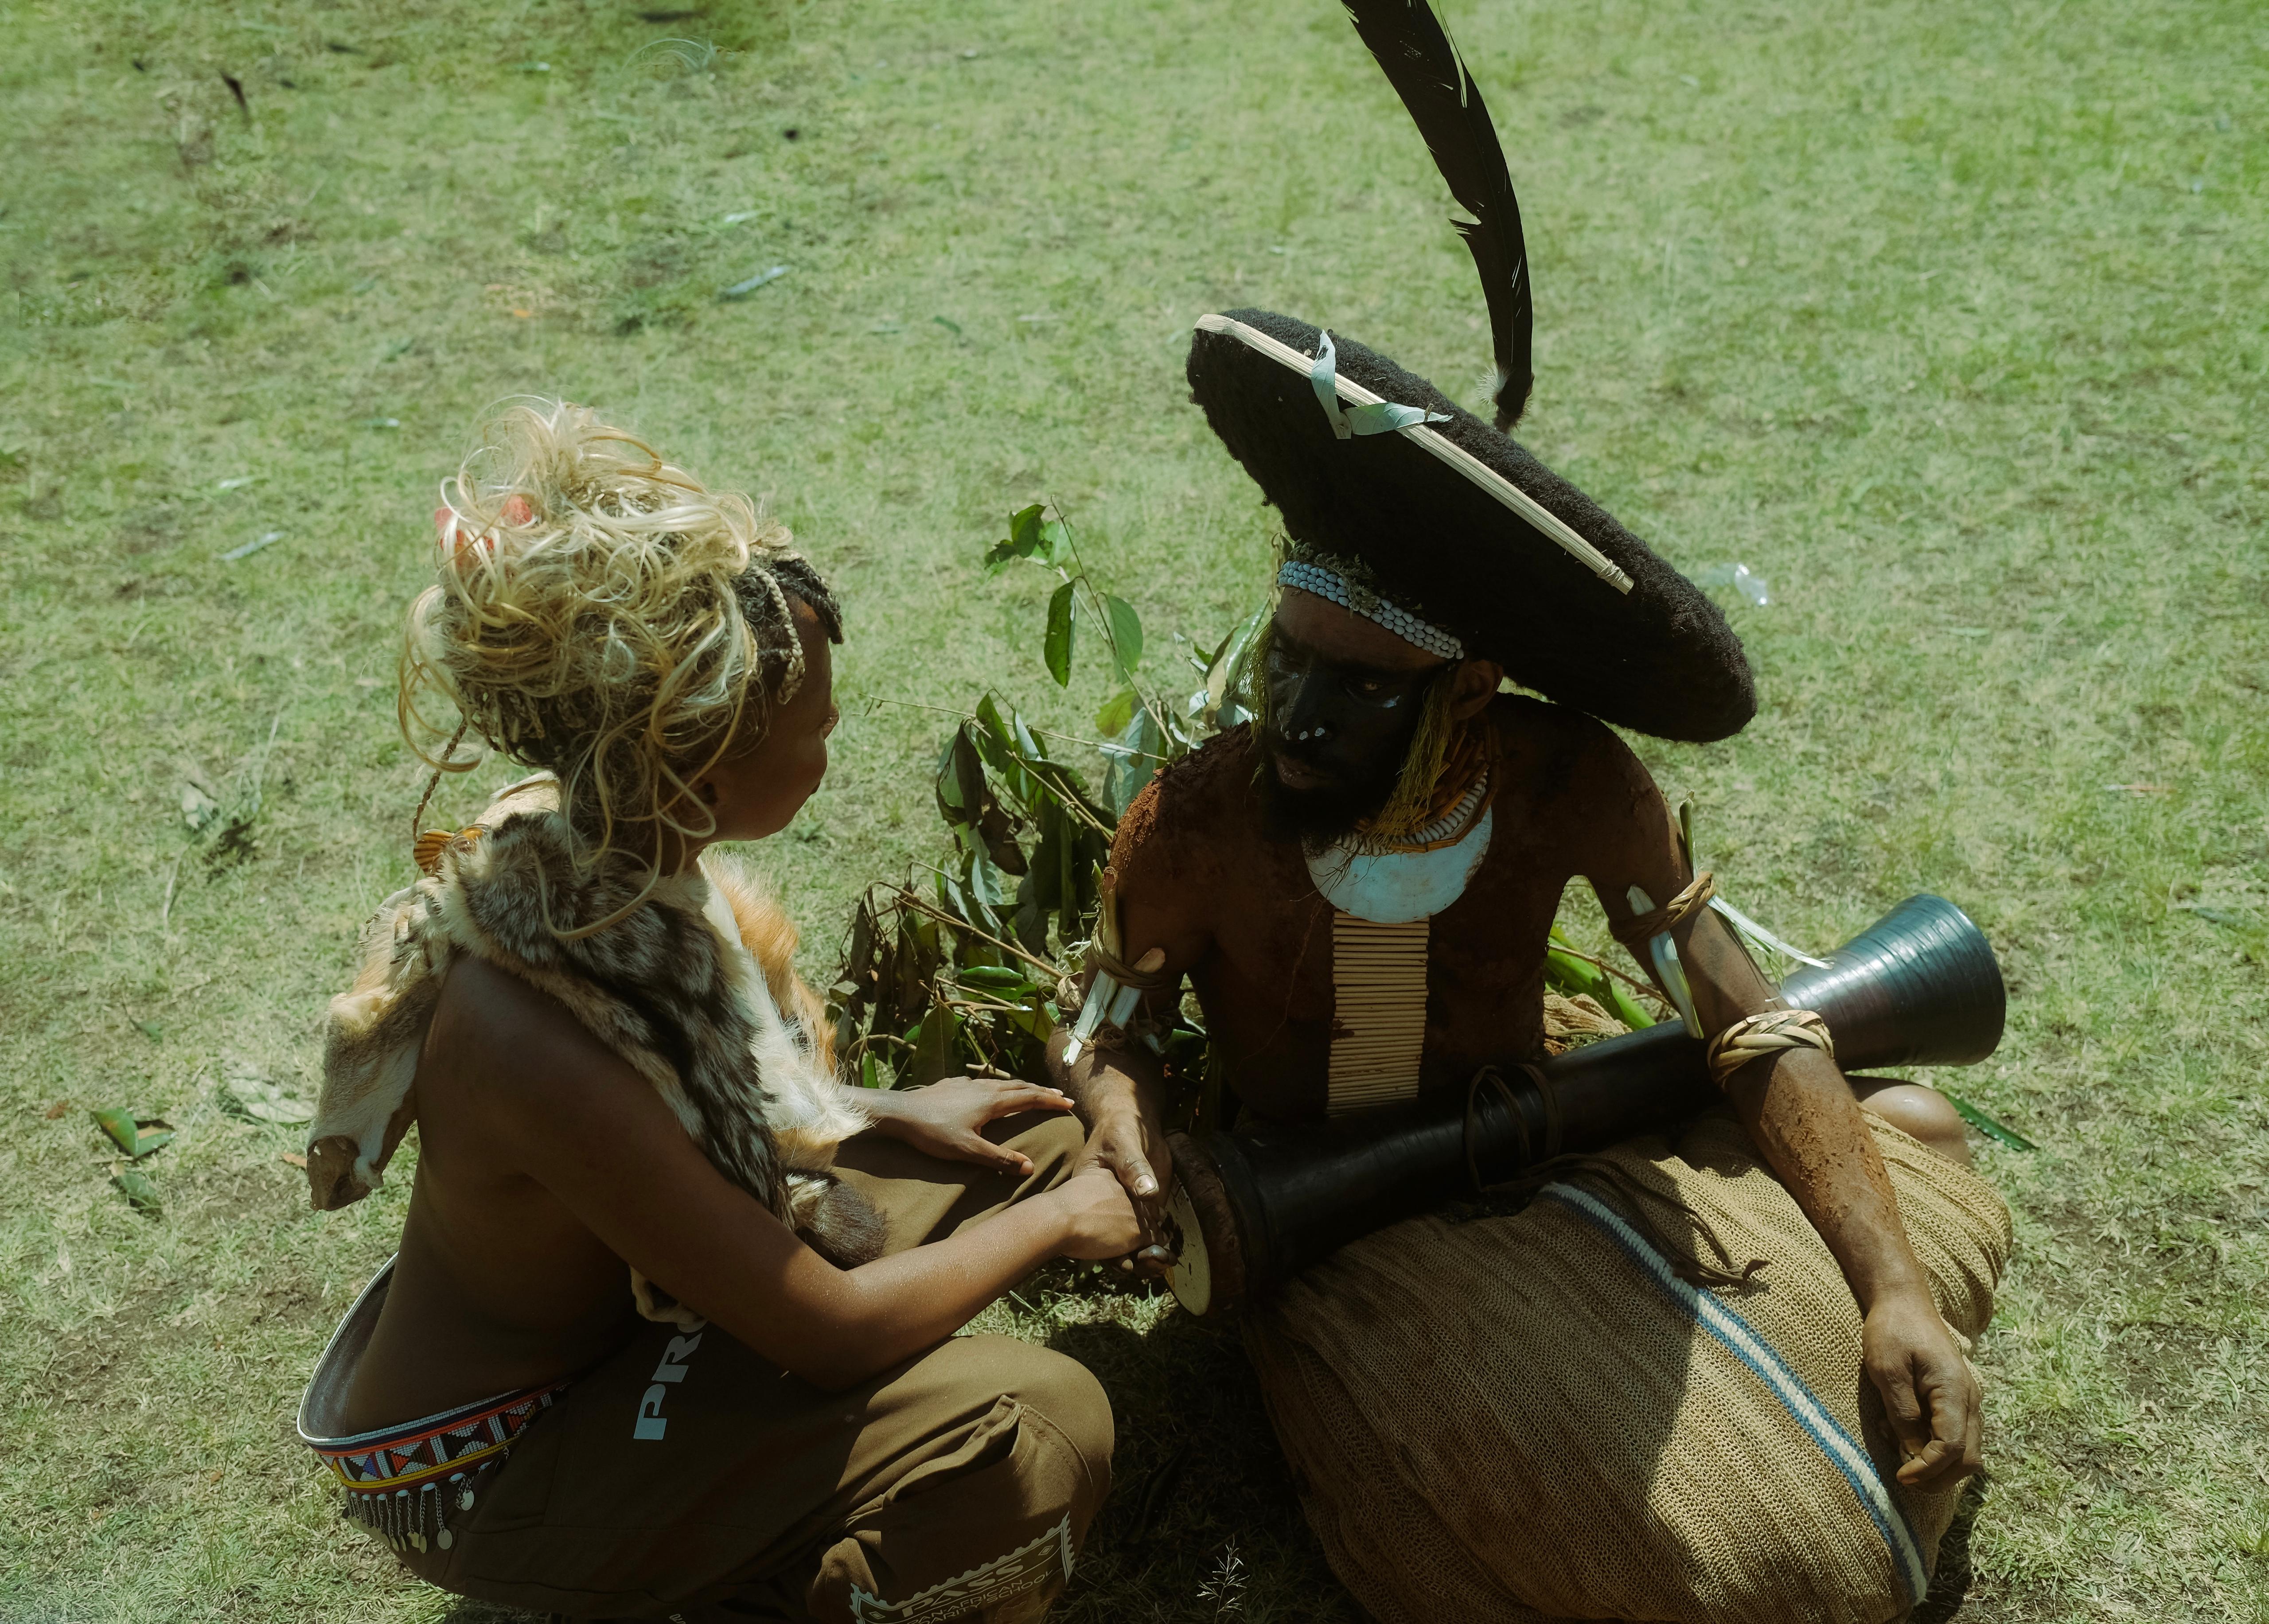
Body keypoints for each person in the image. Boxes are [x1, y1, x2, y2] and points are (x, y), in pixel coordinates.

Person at [1051, 5, 2009, 1620]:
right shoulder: (1200, 822)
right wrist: (1125, 1127)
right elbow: (1107, 1032)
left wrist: (1893, 1285)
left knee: (1913, 1138)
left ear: (1466, 700)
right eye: (1286, 666)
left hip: (1537, 1129)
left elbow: (1753, 1027)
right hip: (1326, 1218)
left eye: (1354, 696)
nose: (1291, 720)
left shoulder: (1567, 781)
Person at [295, 402, 1141, 1624]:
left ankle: (723, 1507)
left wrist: (870, 1108)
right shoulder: (524, 1034)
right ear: (693, 760)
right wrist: (1064, 1222)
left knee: (1028, 1139)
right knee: (1041, 1428)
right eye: (818, 731)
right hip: (497, 1463)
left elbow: (685, 1095)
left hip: (629, 1332)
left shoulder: (608, 845)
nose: (833, 746)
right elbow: (834, 1331)